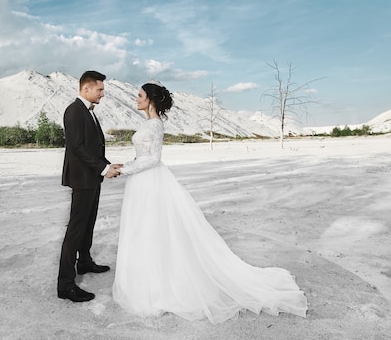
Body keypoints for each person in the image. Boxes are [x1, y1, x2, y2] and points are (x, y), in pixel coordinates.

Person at [112, 81, 308, 324]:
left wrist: (125, 170)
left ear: (150, 100)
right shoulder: (148, 124)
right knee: (146, 229)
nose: (136, 98)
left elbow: (152, 159)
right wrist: (128, 164)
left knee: (153, 229)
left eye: (140, 95)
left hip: (149, 180)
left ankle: (159, 286)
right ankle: (149, 279)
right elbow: (143, 154)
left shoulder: (154, 125)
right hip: (142, 182)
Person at [58, 70, 122, 303]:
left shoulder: (88, 112)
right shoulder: (74, 111)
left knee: (88, 224)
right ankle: (65, 285)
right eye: (100, 89)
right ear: (86, 89)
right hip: (82, 179)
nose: (103, 94)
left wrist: (107, 165)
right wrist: (103, 169)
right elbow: (78, 148)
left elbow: (93, 148)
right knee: (75, 230)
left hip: (92, 178)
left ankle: (84, 262)